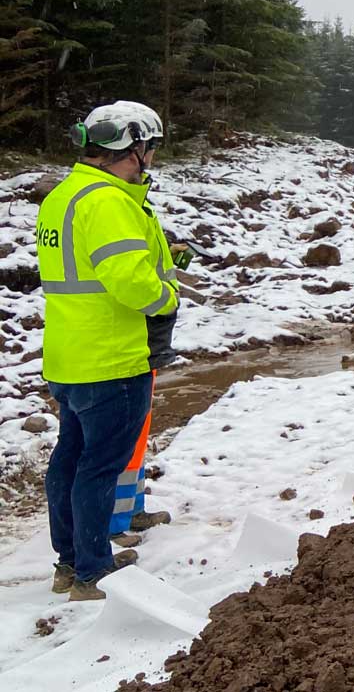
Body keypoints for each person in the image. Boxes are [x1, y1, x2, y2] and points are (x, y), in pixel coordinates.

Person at [36, 101, 180, 602]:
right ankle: (92, 573)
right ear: (134, 147)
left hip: (69, 354)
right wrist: (168, 296)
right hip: (111, 358)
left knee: (70, 460)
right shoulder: (108, 201)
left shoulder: (64, 195)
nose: (153, 157)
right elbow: (131, 282)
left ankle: (70, 561)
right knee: (98, 466)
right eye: (151, 147)